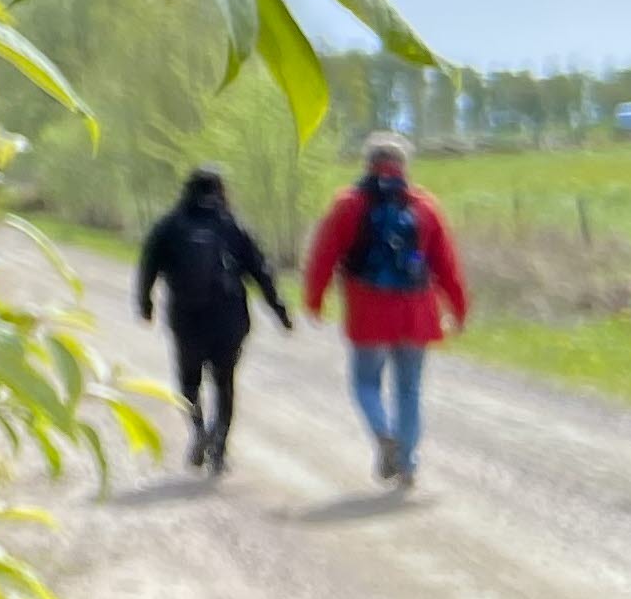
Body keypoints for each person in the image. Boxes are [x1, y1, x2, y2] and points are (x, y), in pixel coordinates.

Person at [303, 133, 469, 489]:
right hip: (417, 311)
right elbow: (446, 263)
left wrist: (315, 298)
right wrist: (458, 306)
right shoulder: (424, 206)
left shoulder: (348, 204)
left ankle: (383, 433)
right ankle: (407, 463)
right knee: (409, 390)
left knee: (365, 382)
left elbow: (324, 255)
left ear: (367, 163)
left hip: (368, 310)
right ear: (404, 165)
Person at [137, 167, 293, 475]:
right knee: (224, 383)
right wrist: (279, 310)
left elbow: (148, 266)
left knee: (189, 381)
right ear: (222, 191)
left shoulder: (170, 225)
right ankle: (219, 447)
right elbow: (260, 271)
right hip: (228, 318)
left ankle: (198, 429)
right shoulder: (232, 226)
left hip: (186, 317)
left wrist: (145, 303)